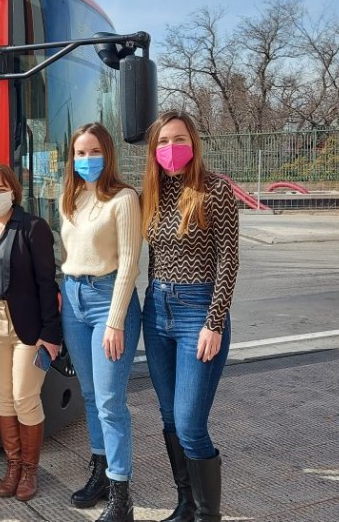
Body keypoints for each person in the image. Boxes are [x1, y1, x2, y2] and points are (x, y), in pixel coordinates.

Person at [141, 110, 239, 522]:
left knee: (189, 424)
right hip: (156, 309)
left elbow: (228, 261)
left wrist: (214, 323)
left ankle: (206, 515)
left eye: (178, 139)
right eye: (162, 142)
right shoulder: (153, 191)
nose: (170, 148)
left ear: (193, 143)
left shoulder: (215, 190)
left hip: (197, 312)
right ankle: (185, 504)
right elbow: (154, 255)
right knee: (168, 418)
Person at [59, 123, 142, 522]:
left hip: (109, 300)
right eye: (79, 152)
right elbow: (71, 254)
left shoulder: (123, 198)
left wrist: (115, 321)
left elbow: (129, 261)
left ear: (108, 154)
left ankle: (121, 494)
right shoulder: (71, 198)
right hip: (73, 299)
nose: (86, 159)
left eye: (93, 151)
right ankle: (101, 472)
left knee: (111, 401)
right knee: (91, 397)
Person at [0, 163, 61, 501]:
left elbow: (46, 283)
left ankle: (31, 471)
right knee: (3, 396)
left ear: (13, 191)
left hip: (28, 326)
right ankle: (13, 466)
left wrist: (50, 334)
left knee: (25, 396)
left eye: (0, 188)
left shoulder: (32, 227)